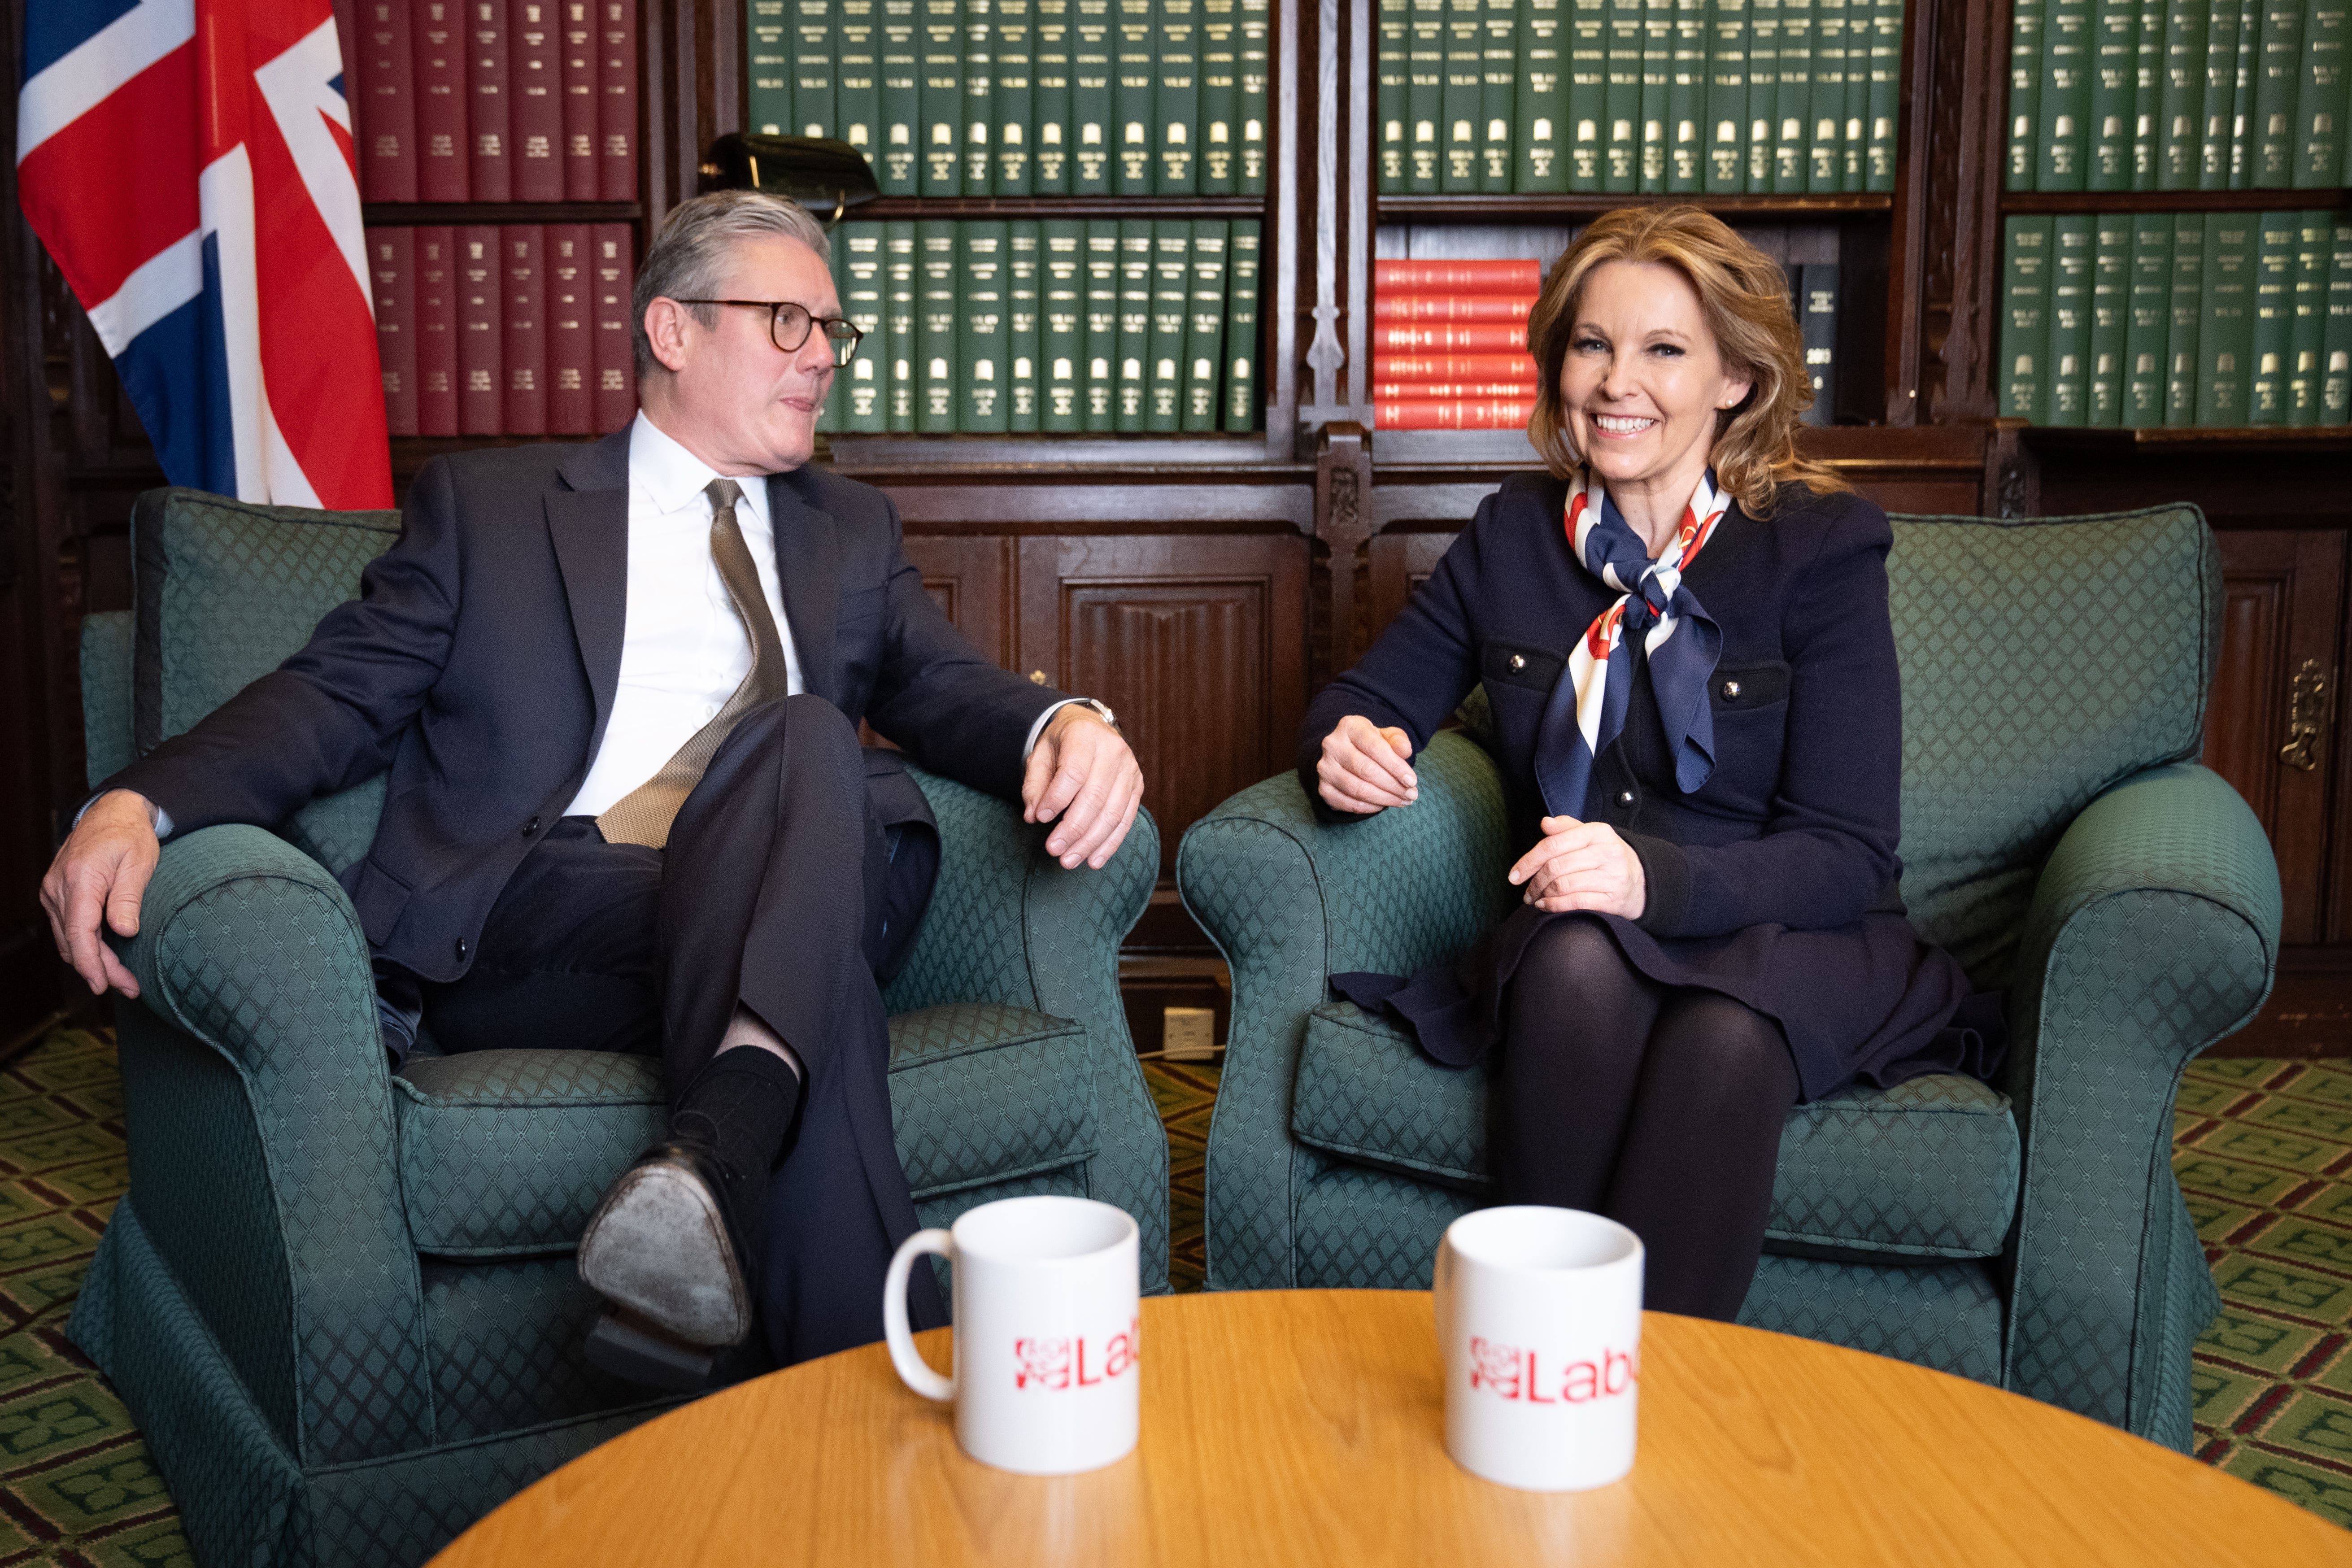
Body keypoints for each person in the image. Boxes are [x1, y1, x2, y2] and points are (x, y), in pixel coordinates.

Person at [37, 190, 1144, 1382]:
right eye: (786, 321)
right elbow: (331, 698)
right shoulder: (493, 512)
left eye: (832, 330)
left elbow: (942, 684)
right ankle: (789, 1286)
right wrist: (134, 802)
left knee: (807, 741)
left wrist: (1062, 719)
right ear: (670, 332)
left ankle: (710, 1195)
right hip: (546, 913)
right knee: (815, 975)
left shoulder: (848, 529)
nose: (823, 355)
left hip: (786, 872)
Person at [1305, 206, 1999, 1321]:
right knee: (1570, 963)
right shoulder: (1514, 535)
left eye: (1663, 350)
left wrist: (1651, 878)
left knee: (1722, 1035)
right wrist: (1345, 743)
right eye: (1592, 344)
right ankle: (1530, 1360)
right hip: (1593, 919)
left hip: (1797, 927)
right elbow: (1369, 699)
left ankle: (1652, 1400)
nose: (1616, 382)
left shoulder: (1823, 548)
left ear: (1737, 378)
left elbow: (1846, 849)